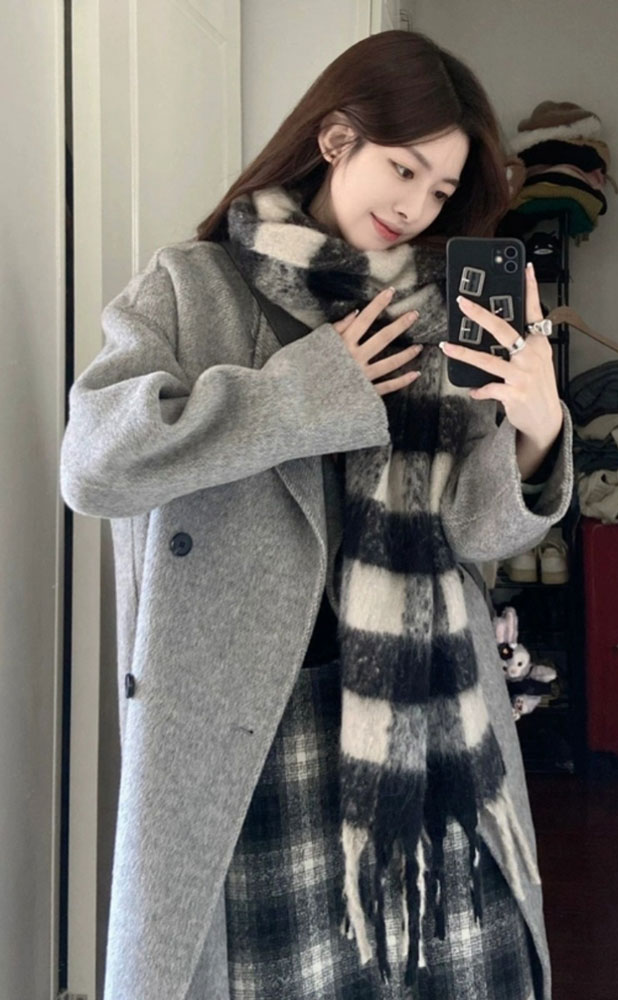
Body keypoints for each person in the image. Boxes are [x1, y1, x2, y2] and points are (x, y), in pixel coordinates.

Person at [59, 28, 573, 1000]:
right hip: (254, 734)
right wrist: (303, 395)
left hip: (430, 721)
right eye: (403, 168)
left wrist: (537, 430)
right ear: (336, 140)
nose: (415, 206)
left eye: (440, 189)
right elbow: (94, 468)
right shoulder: (195, 284)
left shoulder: (437, 312)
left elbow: (475, 536)